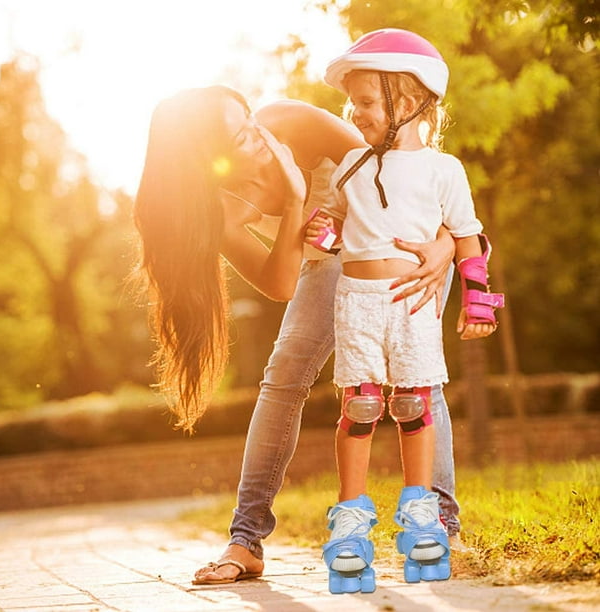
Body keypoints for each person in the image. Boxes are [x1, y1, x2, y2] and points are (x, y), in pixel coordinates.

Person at [133, 84, 460, 588]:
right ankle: (246, 539)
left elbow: (393, 171)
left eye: (249, 120)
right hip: (330, 261)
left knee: (414, 378)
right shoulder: (218, 207)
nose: (257, 135)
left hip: (404, 244)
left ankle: (440, 525)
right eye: (238, 136)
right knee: (283, 376)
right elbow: (280, 283)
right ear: (207, 159)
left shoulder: (290, 122)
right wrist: (292, 201)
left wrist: (446, 243)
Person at [305, 29, 504, 592]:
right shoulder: (349, 165)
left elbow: (467, 238)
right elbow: (336, 225)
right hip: (359, 302)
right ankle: (349, 524)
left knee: (413, 403)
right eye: (354, 102)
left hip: (413, 304)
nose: (354, 112)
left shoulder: (445, 171)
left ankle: (423, 520)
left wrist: (479, 301)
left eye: (367, 102)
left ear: (410, 103)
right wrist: (322, 232)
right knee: (362, 405)